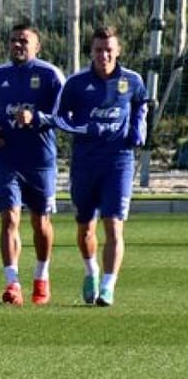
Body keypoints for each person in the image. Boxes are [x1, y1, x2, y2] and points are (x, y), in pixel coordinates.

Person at [54, 26, 148, 307]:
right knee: (85, 229)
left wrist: (138, 128)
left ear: (118, 51)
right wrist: (83, 127)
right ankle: (91, 271)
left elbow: (142, 102)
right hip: (85, 163)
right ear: (91, 52)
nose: (104, 55)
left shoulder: (131, 80)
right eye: (98, 50)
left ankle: (108, 287)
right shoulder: (76, 82)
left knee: (114, 225)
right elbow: (59, 117)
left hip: (118, 161)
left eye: (109, 49)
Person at [0, 23, 65, 306]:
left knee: (40, 222)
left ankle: (41, 276)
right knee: (10, 218)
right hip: (7, 157)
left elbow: (66, 114)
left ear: (37, 46)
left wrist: (37, 117)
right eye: (14, 40)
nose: (18, 45)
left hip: (40, 160)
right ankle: (12, 282)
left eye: (24, 41)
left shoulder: (50, 75)